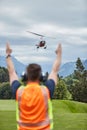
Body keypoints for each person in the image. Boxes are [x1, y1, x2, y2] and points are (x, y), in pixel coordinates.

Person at [6, 42, 62, 130]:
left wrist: (8, 54)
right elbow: (55, 70)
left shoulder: (19, 92)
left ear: (25, 76)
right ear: (41, 77)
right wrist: (59, 54)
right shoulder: (46, 90)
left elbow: (11, 72)